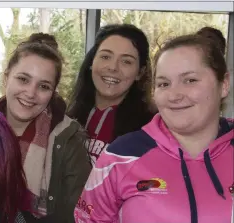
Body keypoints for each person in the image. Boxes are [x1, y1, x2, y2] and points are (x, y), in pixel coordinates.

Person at [74, 34, 233, 222]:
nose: (174, 95)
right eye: (164, 84)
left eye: (190, 80)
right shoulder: (121, 156)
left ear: (224, 84)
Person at [0, 33, 91, 223]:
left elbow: (76, 214)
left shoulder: (68, 139)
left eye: (43, 86)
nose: (30, 93)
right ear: (6, 78)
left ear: (52, 93)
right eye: (23, 79)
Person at [67, 24, 155, 166]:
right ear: (91, 62)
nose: (113, 67)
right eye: (105, 56)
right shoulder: (67, 118)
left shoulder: (150, 130)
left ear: (140, 72)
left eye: (126, 61)